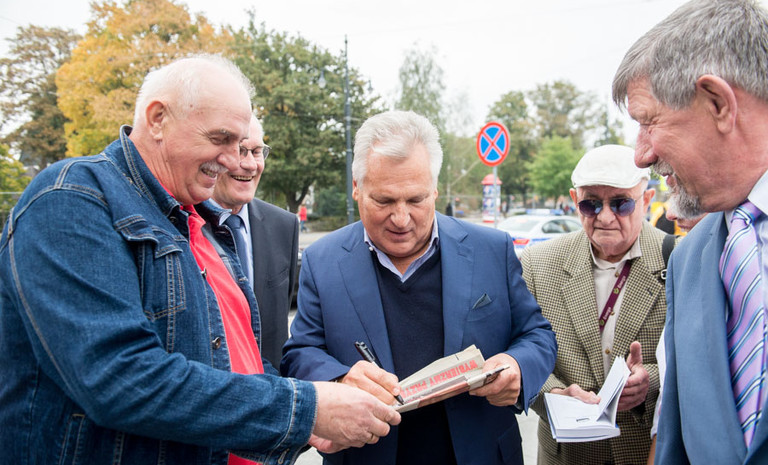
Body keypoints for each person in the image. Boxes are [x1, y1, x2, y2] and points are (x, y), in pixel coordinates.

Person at [0, 55, 400, 465]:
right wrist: (307, 408)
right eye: (220, 138)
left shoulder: (201, 222)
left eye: (241, 144)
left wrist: (322, 405)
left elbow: (236, 365)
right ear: (158, 119)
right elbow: (120, 378)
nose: (233, 160)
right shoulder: (71, 201)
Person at [281, 110, 557, 465]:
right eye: (384, 201)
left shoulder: (491, 249)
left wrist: (518, 365)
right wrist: (340, 380)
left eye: (416, 200)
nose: (401, 218)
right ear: (356, 188)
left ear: (435, 189)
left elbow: (537, 335)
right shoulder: (323, 260)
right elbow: (301, 352)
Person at [613, 0, 768, 463]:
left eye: (649, 122)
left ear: (718, 103)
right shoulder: (689, 258)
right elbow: (675, 441)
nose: (641, 155)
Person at [520, 144, 666, 465]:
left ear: (646, 199)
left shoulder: (677, 258)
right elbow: (518, 348)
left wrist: (650, 382)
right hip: (567, 455)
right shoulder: (538, 263)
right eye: (591, 204)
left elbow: (699, 359)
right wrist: (553, 395)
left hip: (645, 451)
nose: (605, 216)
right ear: (575, 200)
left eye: (621, 203)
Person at [211, 115, 299, 367]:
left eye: (257, 151)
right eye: (240, 151)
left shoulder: (285, 225)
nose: (250, 165)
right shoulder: (184, 222)